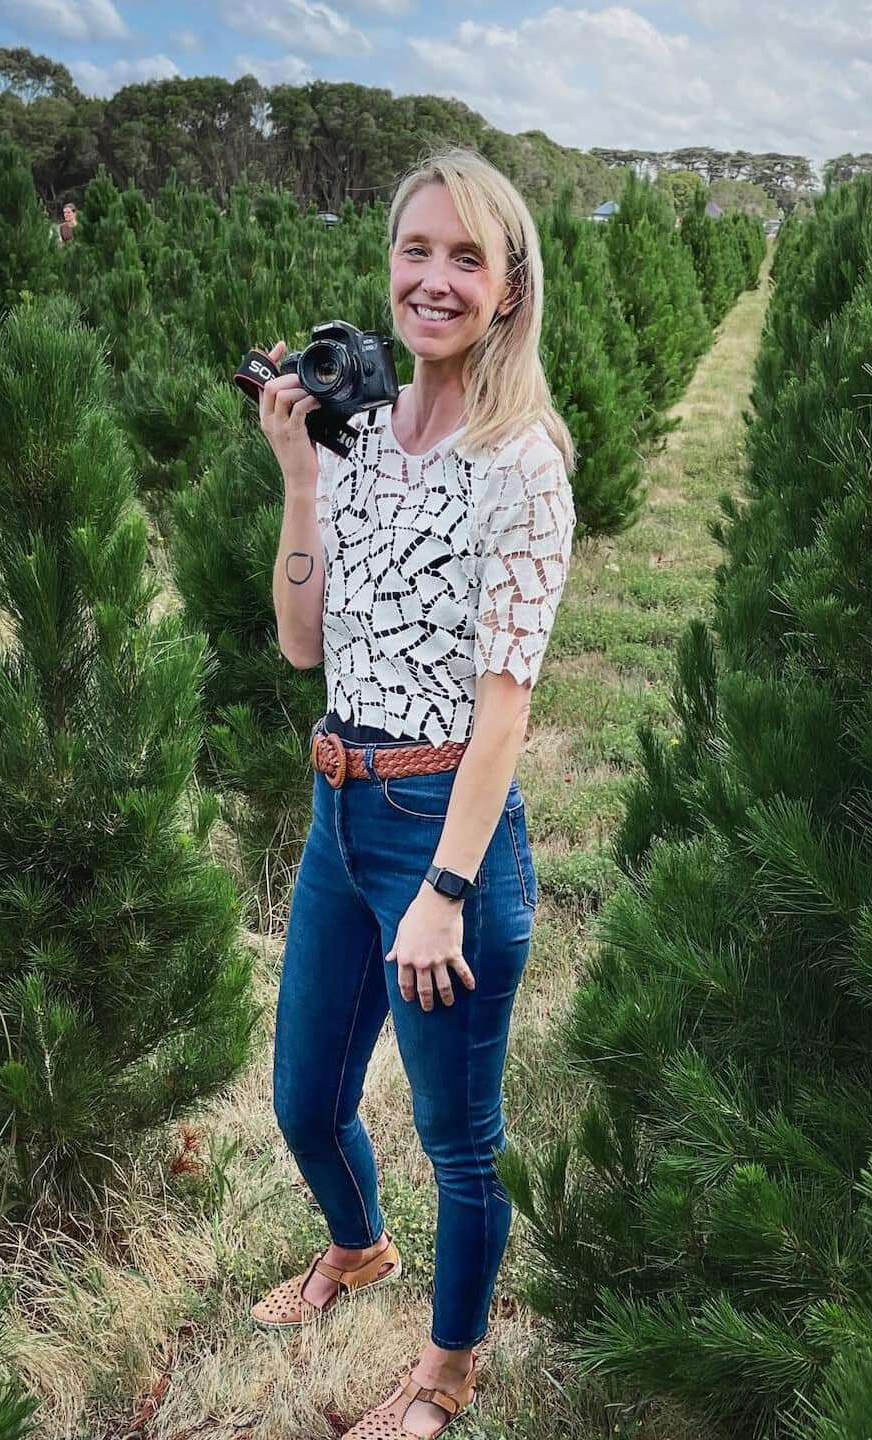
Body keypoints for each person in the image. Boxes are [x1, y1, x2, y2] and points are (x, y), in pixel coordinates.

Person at [250, 147, 576, 1439]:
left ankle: (447, 1370)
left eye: (465, 258)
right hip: (340, 808)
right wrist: (298, 477)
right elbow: (299, 647)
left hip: (446, 833)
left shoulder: (524, 463)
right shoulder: (360, 438)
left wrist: (444, 890)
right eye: (415, 251)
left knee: (459, 1138)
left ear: (506, 290)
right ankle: (359, 1248)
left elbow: (506, 709)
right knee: (303, 1101)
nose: (433, 280)